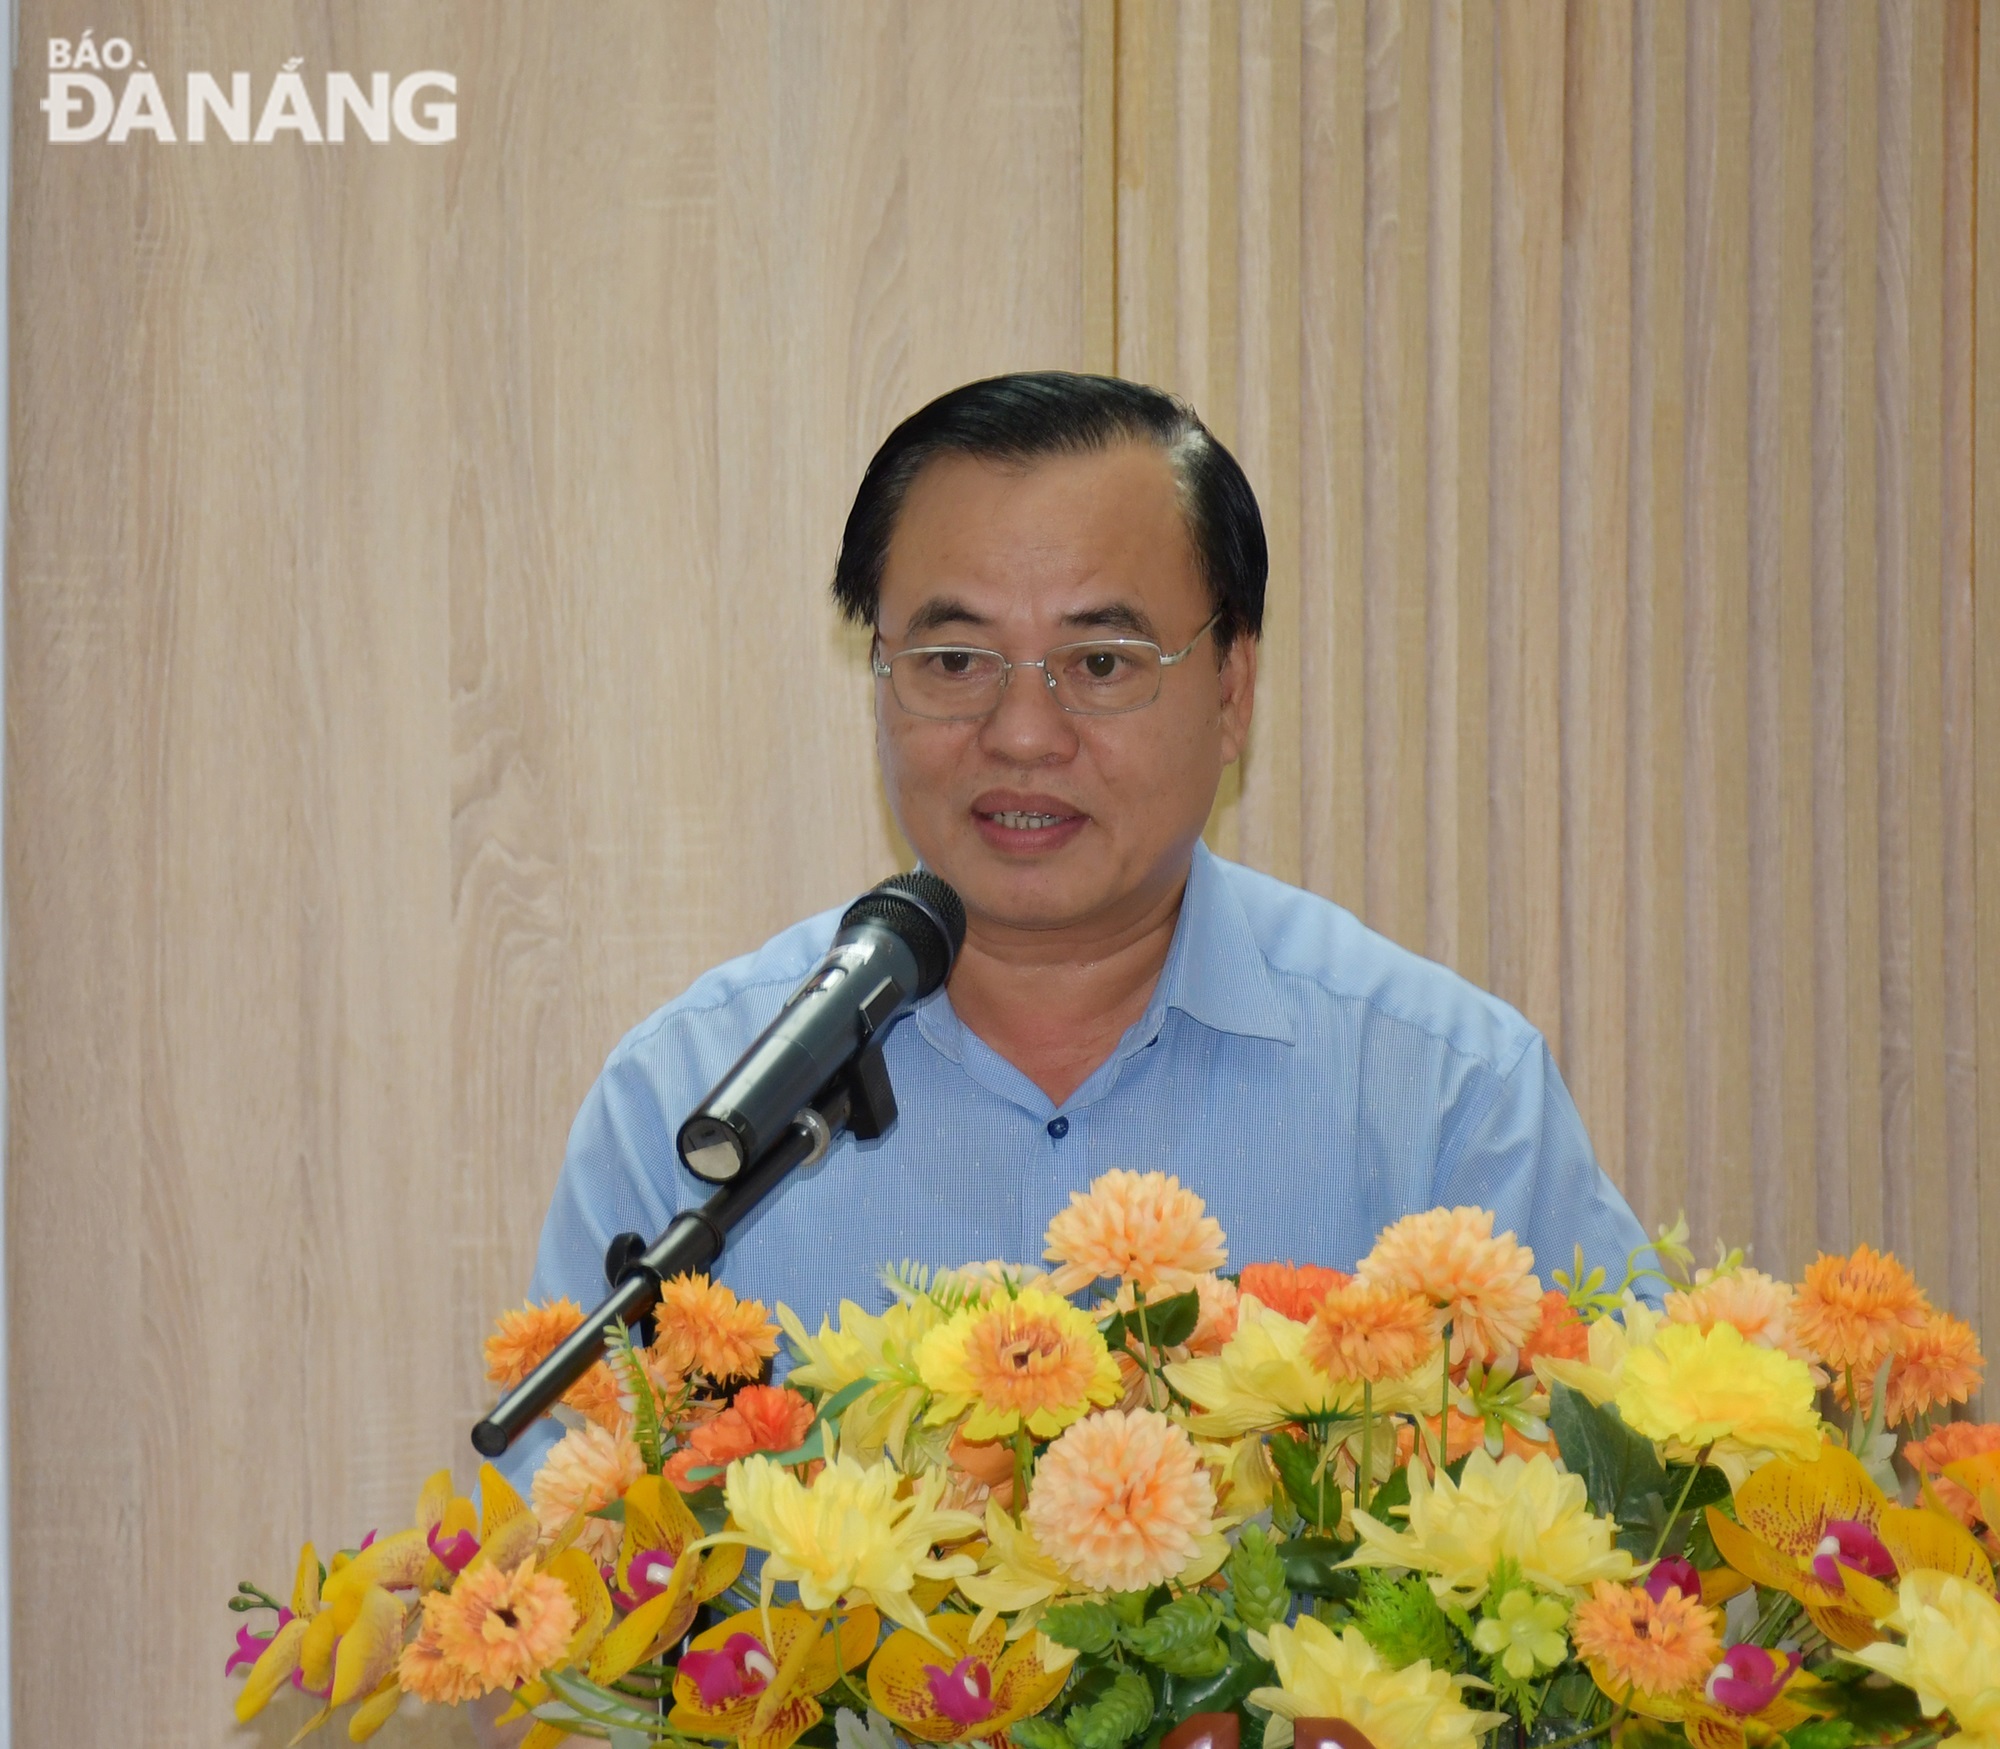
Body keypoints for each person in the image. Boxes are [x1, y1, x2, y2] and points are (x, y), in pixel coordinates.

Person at [500, 372, 1648, 1483]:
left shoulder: (1444, 1099)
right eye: (955, 661)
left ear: (1232, 688)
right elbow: (561, 1579)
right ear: (880, 679)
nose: (1023, 735)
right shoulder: (692, 1098)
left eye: (1099, 662)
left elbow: (1638, 1530)